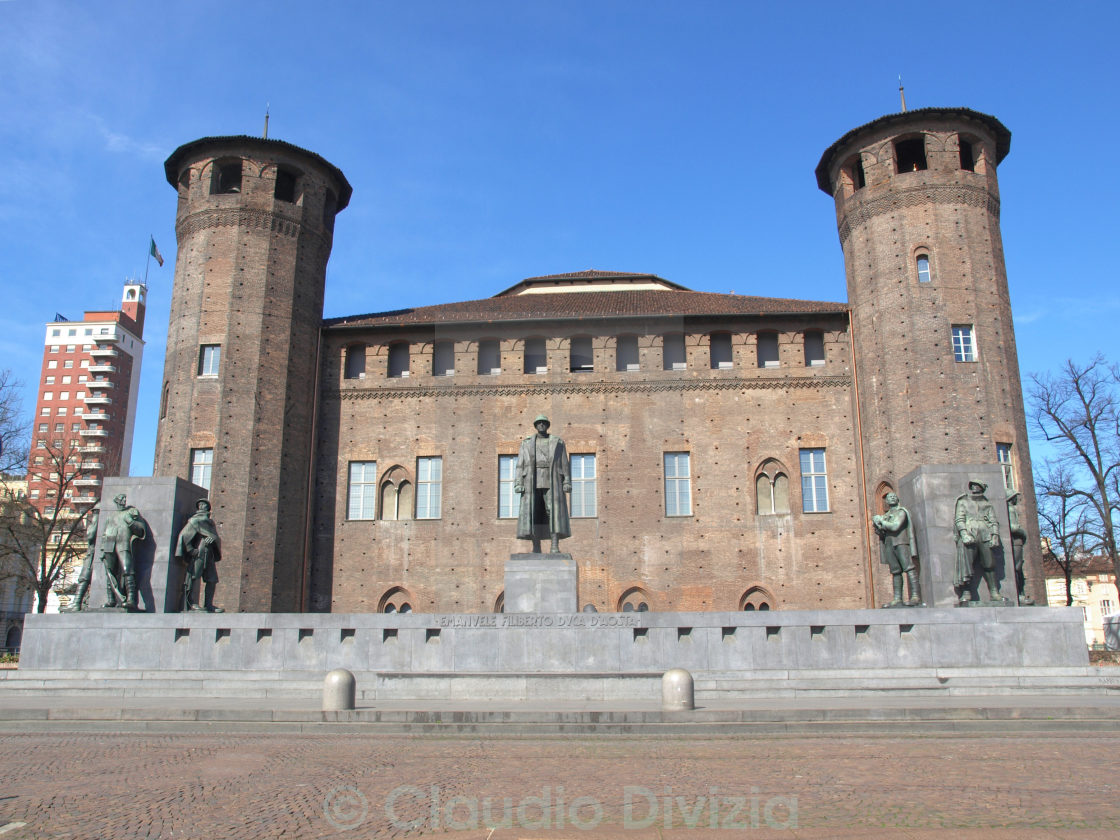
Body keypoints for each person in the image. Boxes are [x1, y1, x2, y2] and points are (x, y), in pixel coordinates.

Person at [514, 414, 571, 553]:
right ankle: (536, 546)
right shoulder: (526, 443)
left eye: (544, 423)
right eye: (539, 423)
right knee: (534, 512)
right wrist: (518, 482)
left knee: (553, 512)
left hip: (552, 480)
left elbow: (564, 463)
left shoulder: (557, 442)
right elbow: (520, 464)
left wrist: (567, 480)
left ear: (547, 425)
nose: (541, 425)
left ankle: (554, 545)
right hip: (531, 481)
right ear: (535, 425)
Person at [953, 479, 1007, 605]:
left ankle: (994, 592)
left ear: (982, 488)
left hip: (985, 535)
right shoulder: (963, 502)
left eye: (977, 486)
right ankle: (966, 592)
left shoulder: (987, 504)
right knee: (966, 565)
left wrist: (995, 536)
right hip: (969, 533)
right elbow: (959, 519)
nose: (974, 488)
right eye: (973, 485)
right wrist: (964, 534)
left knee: (989, 564)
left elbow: (993, 522)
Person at [872, 492, 922, 607]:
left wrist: (882, 521)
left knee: (909, 568)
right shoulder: (886, 515)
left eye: (894, 497)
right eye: (890, 498)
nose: (892, 498)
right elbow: (882, 532)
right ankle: (897, 599)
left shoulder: (901, 512)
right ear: (887, 502)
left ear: (897, 499)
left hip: (901, 543)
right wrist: (877, 525)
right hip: (889, 545)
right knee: (895, 572)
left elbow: (895, 526)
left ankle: (915, 596)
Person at [175, 498, 224, 613]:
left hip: (210, 553)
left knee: (212, 579)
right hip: (200, 552)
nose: (202, 506)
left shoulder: (210, 523)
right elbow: (184, 535)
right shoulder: (195, 521)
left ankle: (208, 605)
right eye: (200, 505)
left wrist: (213, 539)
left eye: (205, 505)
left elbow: (216, 538)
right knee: (193, 576)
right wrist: (191, 549)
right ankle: (190, 603)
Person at [99, 494, 146, 610]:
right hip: (109, 543)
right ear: (117, 501)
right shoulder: (111, 516)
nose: (124, 500)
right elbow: (104, 534)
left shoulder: (131, 512)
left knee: (127, 570)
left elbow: (140, 530)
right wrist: (102, 549)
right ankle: (111, 600)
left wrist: (131, 522)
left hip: (123, 543)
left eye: (125, 498)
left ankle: (131, 599)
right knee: (110, 572)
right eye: (121, 498)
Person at [61, 503, 99, 612]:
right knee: (84, 577)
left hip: (94, 554)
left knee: (84, 576)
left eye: (94, 514)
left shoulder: (97, 518)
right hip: (94, 553)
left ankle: (77, 603)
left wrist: (92, 524)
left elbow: (91, 535)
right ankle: (77, 603)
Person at [1007, 491, 1035, 605]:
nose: (1016, 500)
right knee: (1016, 568)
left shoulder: (1010, 509)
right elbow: (1013, 528)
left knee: (1018, 569)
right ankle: (1019, 595)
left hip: (1015, 542)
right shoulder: (1010, 510)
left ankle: (1020, 594)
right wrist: (1023, 533)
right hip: (1015, 542)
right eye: (1014, 497)